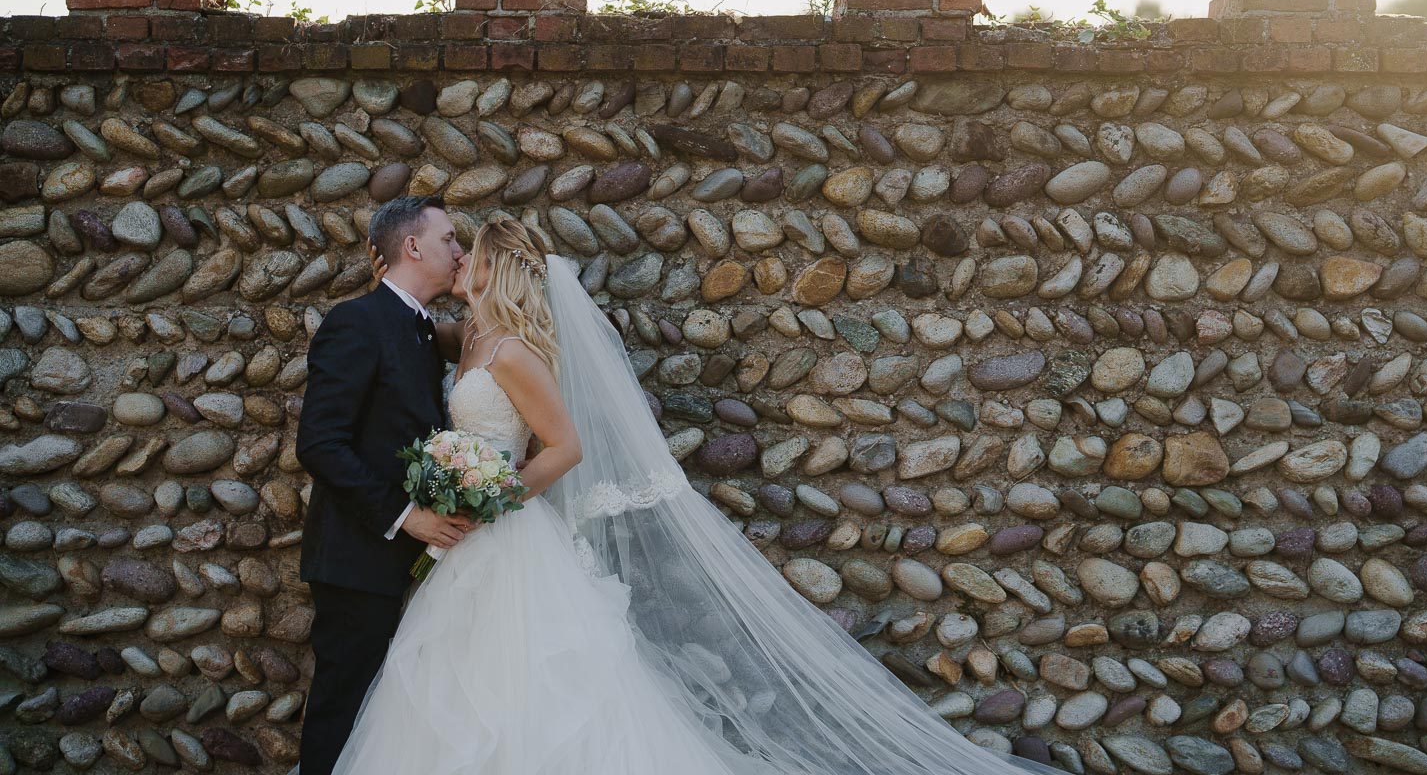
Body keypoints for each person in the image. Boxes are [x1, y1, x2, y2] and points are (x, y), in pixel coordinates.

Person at [326, 216, 1059, 775]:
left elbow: (567, 448)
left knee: (534, 682)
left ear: (495, 269)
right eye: (451, 246)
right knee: (459, 680)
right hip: (467, 546)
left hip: (507, 533)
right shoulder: (469, 340)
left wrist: (497, 498)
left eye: (469, 252)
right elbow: (408, 334)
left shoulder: (513, 353)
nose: (458, 257)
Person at [294, 195, 474, 775]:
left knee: (384, 722)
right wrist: (408, 516)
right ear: (412, 246)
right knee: (344, 712)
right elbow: (320, 444)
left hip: (403, 562)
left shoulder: (419, 329)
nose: (461, 250)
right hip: (357, 559)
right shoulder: (357, 322)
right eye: (449, 238)